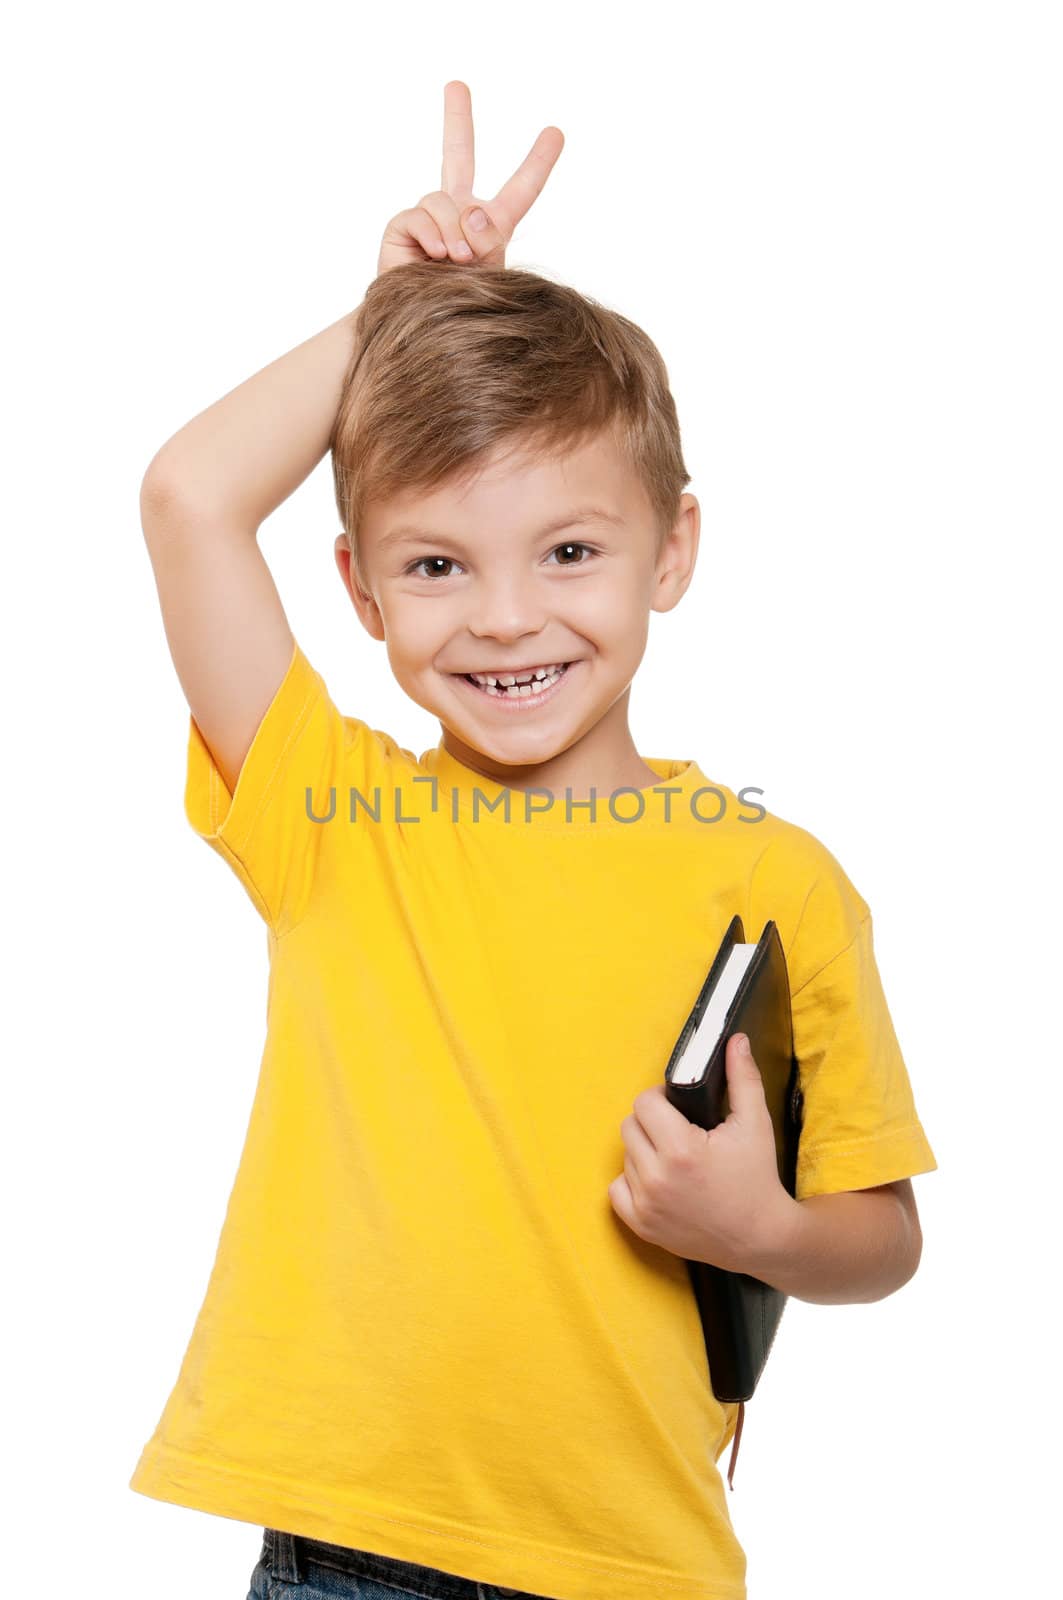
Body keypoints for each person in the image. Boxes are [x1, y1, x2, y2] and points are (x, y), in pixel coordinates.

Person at [129, 80, 938, 1600]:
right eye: (437, 564)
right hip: (353, 1558)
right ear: (361, 592)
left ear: (671, 550)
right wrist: (388, 322)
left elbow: (881, 1240)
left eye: (570, 550)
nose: (505, 617)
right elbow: (188, 496)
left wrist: (758, 1224)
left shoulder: (776, 880)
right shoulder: (334, 815)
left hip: (636, 1565)